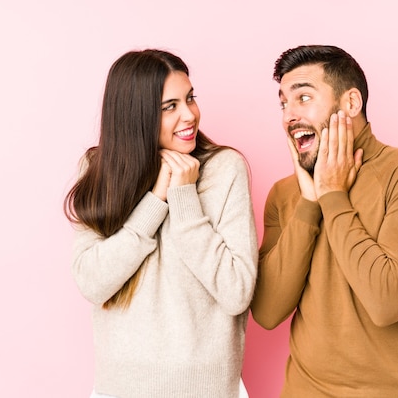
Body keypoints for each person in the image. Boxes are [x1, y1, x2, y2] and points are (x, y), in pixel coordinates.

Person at [250, 45, 398, 397]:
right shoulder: (285, 194)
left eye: (303, 98)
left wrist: (332, 195)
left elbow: (386, 302)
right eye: (283, 103)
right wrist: (310, 202)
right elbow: (266, 312)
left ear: (351, 104)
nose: (288, 116)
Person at [64, 49, 258, 398]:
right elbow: (92, 282)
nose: (189, 115)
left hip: (207, 391)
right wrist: (156, 201)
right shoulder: (100, 170)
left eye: (190, 98)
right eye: (170, 106)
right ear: (135, 115)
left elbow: (237, 291)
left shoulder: (223, 168)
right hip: (118, 389)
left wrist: (185, 199)